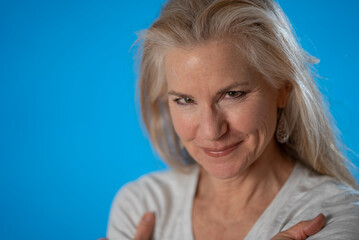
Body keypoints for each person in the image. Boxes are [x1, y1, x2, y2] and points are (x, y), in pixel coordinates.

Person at [105, 0, 359, 239]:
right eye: (185, 100)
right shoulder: (139, 205)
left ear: (283, 89)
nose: (211, 131)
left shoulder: (337, 215)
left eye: (232, 94)